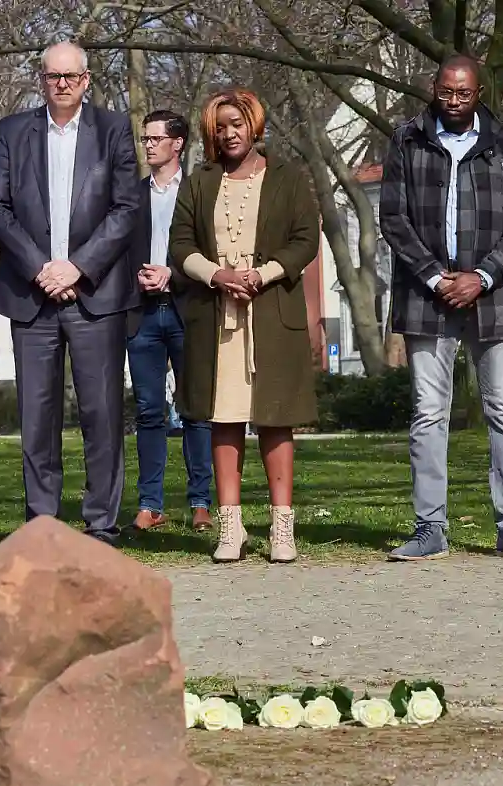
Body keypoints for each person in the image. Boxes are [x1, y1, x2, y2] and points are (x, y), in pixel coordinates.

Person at [0, 41, 140, 545]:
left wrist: (77, 267)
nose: (63, 84)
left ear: (87, 79)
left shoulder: (114, 130)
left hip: (96, 294)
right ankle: (43, 526)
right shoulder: (12, 132)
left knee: (102, 415)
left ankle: (101, 526)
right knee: (36, 417)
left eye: (72, 76)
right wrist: (40, 268)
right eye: (54, 76)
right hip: (31, 297)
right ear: (42, 79)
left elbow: (126, 208)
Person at [379, 54, 503, 562]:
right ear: (434, 88)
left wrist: (482, 276)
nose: (455, 101)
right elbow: (393, 219)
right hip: (427, 295)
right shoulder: (407, 139)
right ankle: (429, 529)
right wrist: (434, 275)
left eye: (464, 93)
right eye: (447, 92)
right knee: (427, 413)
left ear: (479, 93)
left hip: (495, 296)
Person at [169, 88, 319, 563]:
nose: (229, 133)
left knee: (276, 420)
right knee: (224, 419)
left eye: (237, 124)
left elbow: (305, 239)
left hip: (272, 312)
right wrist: (217, 275)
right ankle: (230, 529)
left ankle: (282, 530)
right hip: (216, 317)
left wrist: (262, 274)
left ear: (255, 125)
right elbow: (181, 244)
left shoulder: (288, 177)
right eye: (220, 126)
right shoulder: (199, 181)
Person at [126, 110, 213, 532]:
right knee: (148, 411)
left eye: (155, 138)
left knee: (196, 410)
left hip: (187, 312)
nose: (148, 145)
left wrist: (172, 275)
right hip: (142, 316)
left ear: (177, 143)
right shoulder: (131, 194)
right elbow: (116, 251)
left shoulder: (199, 191)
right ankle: (150, 504)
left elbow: (211, 253)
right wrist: (137, 278)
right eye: (145, 139)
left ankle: (201, 502)